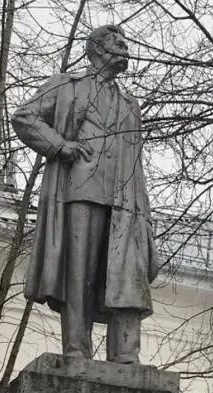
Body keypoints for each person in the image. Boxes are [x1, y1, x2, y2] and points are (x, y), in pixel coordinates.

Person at [12, 24, 158, 364]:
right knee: (79, 273)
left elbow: (135, 160)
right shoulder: (66, 86)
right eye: (116, 43)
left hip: (123, 200)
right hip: (80, 190)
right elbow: (25, 117)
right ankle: (77, 350)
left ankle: (125, 356)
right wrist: (61, 146)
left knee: (126, 275)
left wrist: (144, 212)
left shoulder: (130, 104)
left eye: (126, 43)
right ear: (95, 49)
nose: (124, 48)